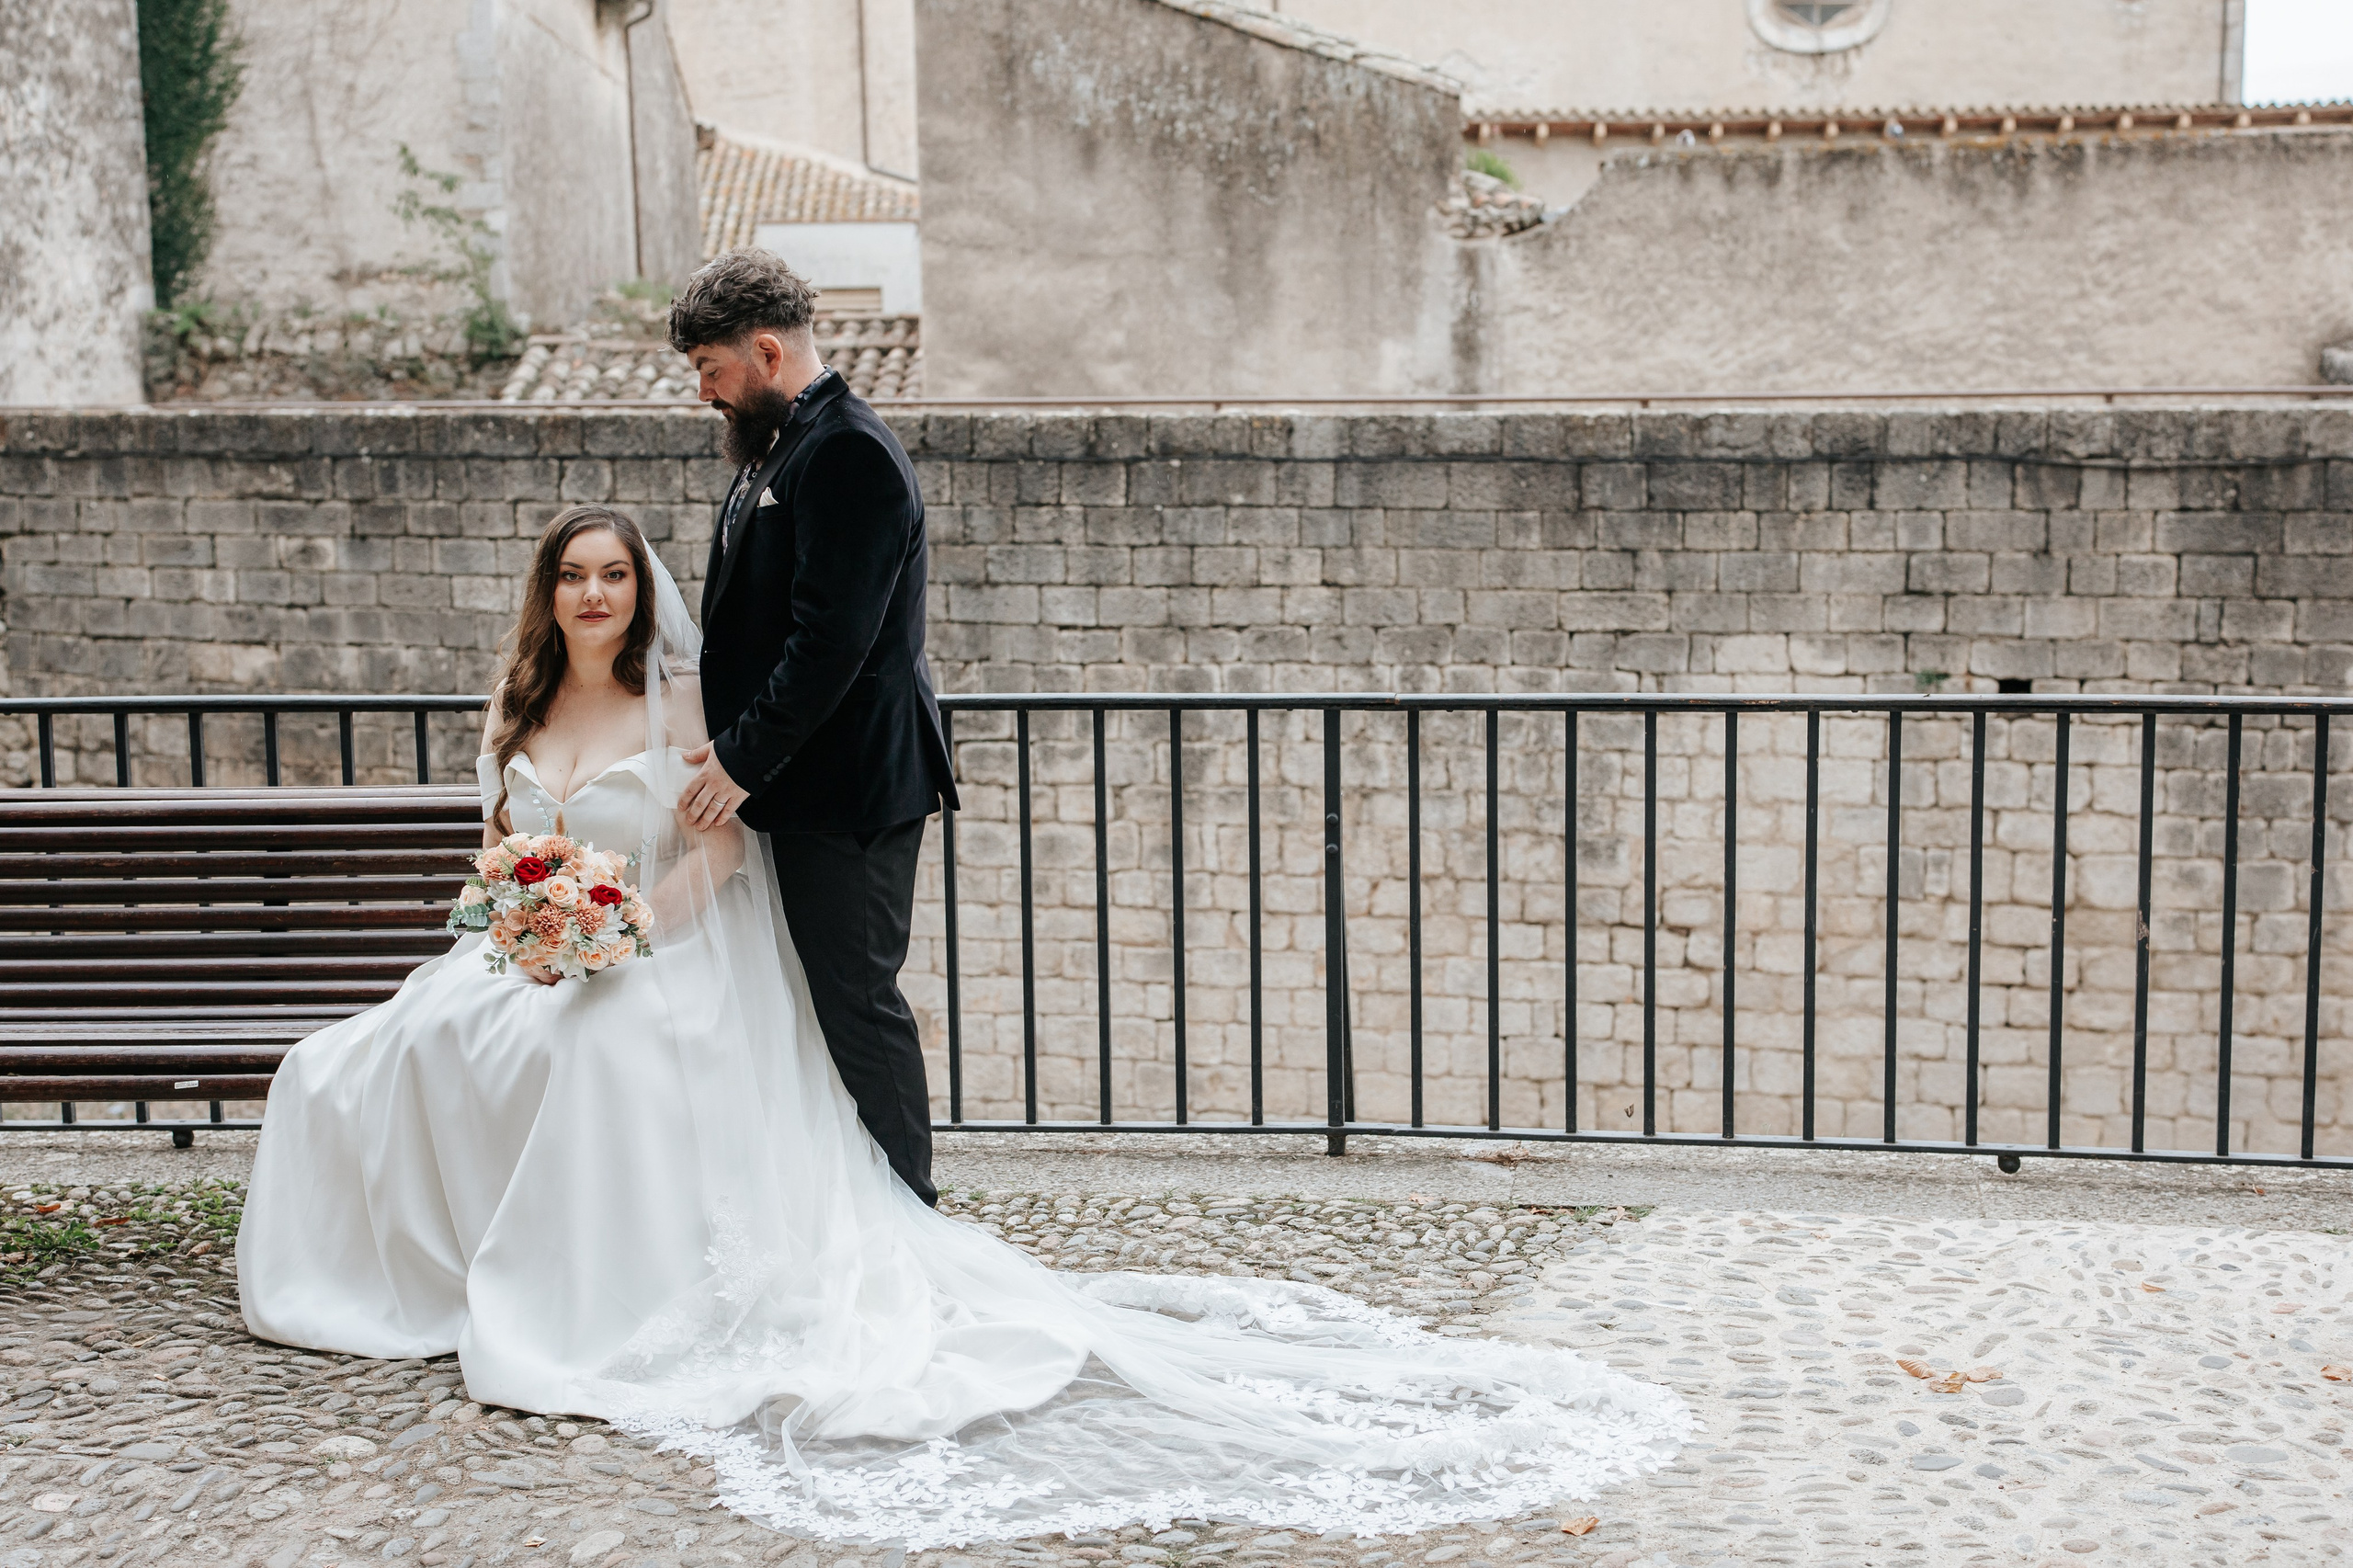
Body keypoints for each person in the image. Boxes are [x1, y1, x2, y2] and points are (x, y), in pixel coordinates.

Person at [237, 509, 1689, 1548]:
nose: (597, 594)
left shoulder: (681, 702)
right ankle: (430, 1265)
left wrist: (612, 938)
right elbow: (500, 854)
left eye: (616, 573)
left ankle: (579, 1292)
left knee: (580, 1055)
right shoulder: (519, 706)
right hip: (526, 955)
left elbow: (718, 860)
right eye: (576, 576)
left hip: (642, 958)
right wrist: (519, 927)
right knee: (355, 1059)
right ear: (547, 596)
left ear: (640, 590)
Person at [668, 248, 954, 1207]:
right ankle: (848, 1203)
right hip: (806, 784)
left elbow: (833, 639)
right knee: (814, 998)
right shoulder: (781, 449)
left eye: (711, 369)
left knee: (858, 1001)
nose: (705, 391)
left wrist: (741, 760)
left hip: (853, 789)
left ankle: (912, 1212)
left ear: (764, 350)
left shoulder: (849, 453)